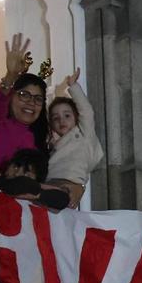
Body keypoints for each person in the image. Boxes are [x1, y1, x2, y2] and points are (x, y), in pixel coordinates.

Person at [46, 68, 104, 208]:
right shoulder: (53, 145)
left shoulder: (84, 134)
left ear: (76, 117)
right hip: (49, 183)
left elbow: (87, 112)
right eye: (56, 118)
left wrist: (73, 86)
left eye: (67, 115)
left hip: (69, 185)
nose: (62, 121)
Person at [0, 34, 48, 170]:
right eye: (24, 95)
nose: (31, 103)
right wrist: (10, 75)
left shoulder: (39, 142)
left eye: (38, 99)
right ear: (11, 97)